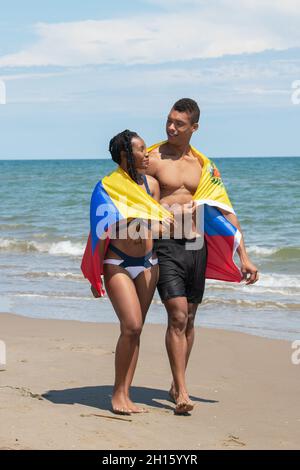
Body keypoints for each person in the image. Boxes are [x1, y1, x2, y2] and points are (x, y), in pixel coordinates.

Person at [147, 98, 259, 414]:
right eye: (169, 120)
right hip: (166, 246)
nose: (171, 127)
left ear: (194, 127)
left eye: (179, 124)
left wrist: (244, 257)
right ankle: (182, 392)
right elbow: (129, 197)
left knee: (190, 319)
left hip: (196, 247)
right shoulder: (152, 159)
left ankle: (175, 383)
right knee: (178, 315)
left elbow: (225, 211)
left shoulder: (204, 166)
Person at [91, 130, 163, 415]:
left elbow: (160, 223)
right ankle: (117, 393)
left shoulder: (152, 185)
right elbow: (99, 231)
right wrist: (94, 274)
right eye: (142, 150)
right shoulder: (107, 187)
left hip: (148, 261)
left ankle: (126, 393)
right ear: (125, 155)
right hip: (117, 262)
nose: (148, 154)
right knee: (131, 325)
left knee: (136, 331)